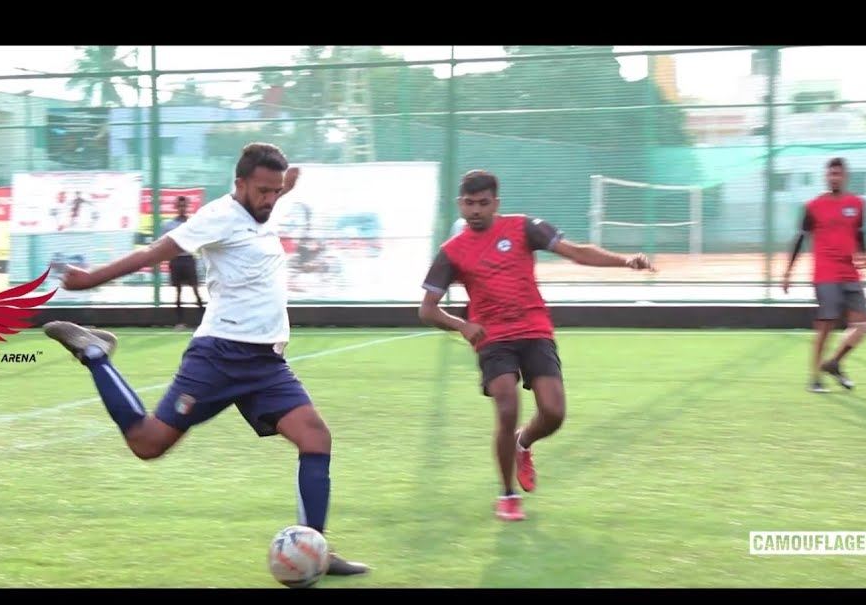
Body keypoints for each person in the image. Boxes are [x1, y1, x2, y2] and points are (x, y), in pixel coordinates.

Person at [43, 143, 368, 577]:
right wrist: (91, 278)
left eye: (275, 190)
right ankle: (96, 354)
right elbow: (153, 252)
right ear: (239, 184)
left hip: (267, 364)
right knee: (147, 443)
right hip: (220, 356)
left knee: (316, 439)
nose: (269, 199)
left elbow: (270, 197)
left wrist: (285, 186)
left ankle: (316, 551)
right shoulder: (217, 216)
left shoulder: (261, 208)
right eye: (262, 190)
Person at [418, 170, 655, 521]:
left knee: (554, 413)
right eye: (469, 204)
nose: (476, 211)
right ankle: (507, 494)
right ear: (460, 204)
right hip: (493, 337)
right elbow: (426, 309)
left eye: (483, 203)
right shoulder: (451, 252)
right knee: (507, 404)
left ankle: (522, 443)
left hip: (534, 329)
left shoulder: (524, 228)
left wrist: (625, 261)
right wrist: (462, 325)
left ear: (496, 203)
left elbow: (576, 252)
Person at [781, 157, 866, 393]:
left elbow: (859, 232)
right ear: (826, 177)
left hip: (850, 273)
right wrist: (788, 272)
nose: (834, 178)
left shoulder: (858, 204)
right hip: (825, 274)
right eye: (831, 174)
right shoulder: (813, 206)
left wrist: (863, 254)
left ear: (845, 176)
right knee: (826, 325)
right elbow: (800, 238)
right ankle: (815, 378)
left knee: (865, 324)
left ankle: (833, 363)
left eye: (838, 174)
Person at [160, 195, 204, 329]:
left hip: (189, 259)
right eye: (179, 206)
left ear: (187, 207)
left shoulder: (193, 223)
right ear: (176, 207)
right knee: (178, 292)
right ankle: (179, 322)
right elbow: (163, 242)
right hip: (176, 260)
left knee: (196, 290)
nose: (182, 208)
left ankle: (203, 321)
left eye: (184, 206)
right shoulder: (168, 225)